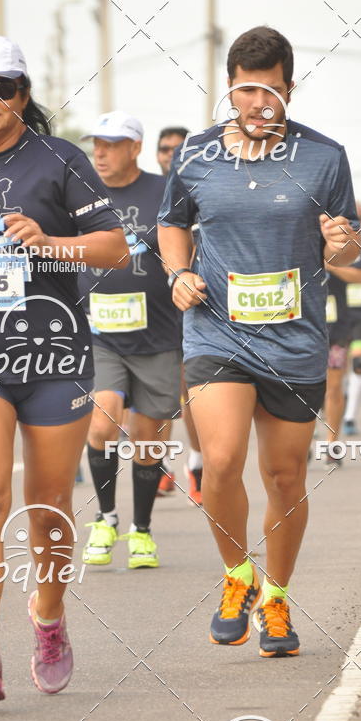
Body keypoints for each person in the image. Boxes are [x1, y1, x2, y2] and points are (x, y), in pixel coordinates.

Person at [158, 26, 360, 657]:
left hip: (295, 338)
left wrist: (340, 243)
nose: (259, 105)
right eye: (247, 91)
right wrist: (178, 273)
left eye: (271, 92)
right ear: (229, 88)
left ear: (289, 88)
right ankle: (235, 573)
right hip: (217, 329)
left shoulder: (324, 157)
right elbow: (171, 223)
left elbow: (350, 246)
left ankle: (275, 596)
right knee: (219, 460)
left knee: (284, 473)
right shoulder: (194, 156)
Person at [0, 36, 127, 701]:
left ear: (23, 95)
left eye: (1, 87)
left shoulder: (60, 161)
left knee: (47, 510)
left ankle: (48, 617)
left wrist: (50, 242)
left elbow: (116, 251)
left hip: (54, 358)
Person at [78, 111, 183, 568]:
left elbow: (185, 249)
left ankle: (141, 530)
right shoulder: (79, 193)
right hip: (100, 334)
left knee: (148, 440)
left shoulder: (163, 191)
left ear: (134, 148)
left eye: (111, 144)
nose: (100, 152)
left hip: (158, 335)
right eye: (96, 144)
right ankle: (105, 516)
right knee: (102, 422)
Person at [154, 125, 204, 504]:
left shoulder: (200, 184)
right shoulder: (144, 190)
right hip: (150, 309)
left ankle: (198, 463)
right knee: (157, 394)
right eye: (164, 148)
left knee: (188, 393)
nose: (171, 154)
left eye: (178, 148)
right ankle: (159, 465)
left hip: (191, 302)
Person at [323, 201, 361, 449]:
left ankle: (331, 443)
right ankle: (303, 442)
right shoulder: (297, 239)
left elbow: (359, 276)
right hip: (302, 325)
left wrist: (326, 263)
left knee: (334, 385)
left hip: (337, 325)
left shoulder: (344, 244)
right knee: (306, 388)